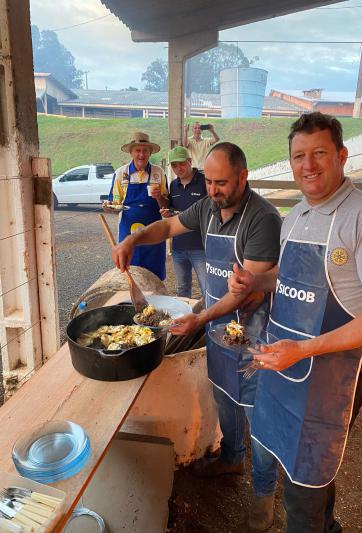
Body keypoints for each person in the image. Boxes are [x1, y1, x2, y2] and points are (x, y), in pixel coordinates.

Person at [228, 112, 362, 532]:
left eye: (319, 153)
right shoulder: (297, 215)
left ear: (341, 155)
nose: (308, 165)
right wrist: (257, 279)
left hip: (333, 373)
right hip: (288, 363)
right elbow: (286, 279)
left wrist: (304, 349)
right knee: (305, 467)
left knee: (305, 484)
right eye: (299, 156)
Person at [112, 142, 282, 531]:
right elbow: (169, 226)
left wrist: (199, 318)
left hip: (254, 332)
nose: (213, 190)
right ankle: (230, 458)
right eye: (210, 182)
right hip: (218, 324)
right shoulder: (207, 206)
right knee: (224, 395)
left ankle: (264, 494)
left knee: (261, 415)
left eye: (222, 183)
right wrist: (133, 240)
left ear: (244, 177)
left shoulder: (263, 219)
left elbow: (244, 293)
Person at [103, 131, 169, 280]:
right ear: (131, 152)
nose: (141, 154)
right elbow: (115, 204)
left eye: (145, 150)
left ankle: (156, 300)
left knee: (154, 274)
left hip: (154, 232)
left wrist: (159, 197)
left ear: (150, 152)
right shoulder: (121, 174)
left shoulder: (158, 173)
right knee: (129, 271)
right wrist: (109, 206)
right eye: (137, 150)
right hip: (128, 232)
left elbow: (166, 205)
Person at [160, 146, 207, 298]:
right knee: (182, 289)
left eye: (181, 163)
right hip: (178, 247)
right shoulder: (173, 185)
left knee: (207, 288)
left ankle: (211, 320)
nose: (178, 168)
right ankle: (185, 319)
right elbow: (173, 209)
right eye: (174, 165)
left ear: (189, 161)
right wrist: (168, 213)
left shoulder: (204, 181)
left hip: (201, 247)